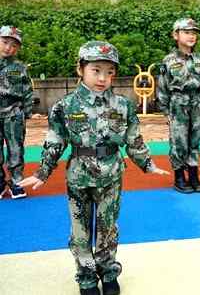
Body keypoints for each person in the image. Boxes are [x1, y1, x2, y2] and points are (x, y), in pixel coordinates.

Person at [19, 41, 169, 295]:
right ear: (81, 69)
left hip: (111, 176)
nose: (103, 78)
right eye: (96, 70)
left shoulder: (123, 106)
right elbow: (55, 140)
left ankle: (108, 272)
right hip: (79, 177)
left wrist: (147, 164)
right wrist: (42, 171)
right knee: (80, 233)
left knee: (108, 229)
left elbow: (134, 139)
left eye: (109, 72)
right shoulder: (65, 106)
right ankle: (87, 277)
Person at [157, 18, 200, 194]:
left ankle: (194, 174)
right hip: (178, 103)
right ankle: (179, 176)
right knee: (179, 140)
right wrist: (165, 110)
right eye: (187, 32)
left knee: (195, 140)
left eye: (194, 33)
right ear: (175, 35)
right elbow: (163, 86)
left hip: (196, 103)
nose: (191, 36)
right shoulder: (169, 60)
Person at [0, 26, 33, 199]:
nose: (8, 48)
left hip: (13, 114)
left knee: (16, 150)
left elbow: (27, 90)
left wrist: (26, 112)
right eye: (5, 42)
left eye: (13, 45)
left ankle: (16, 182)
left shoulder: (20, 68)